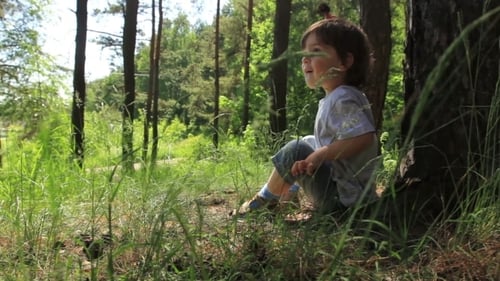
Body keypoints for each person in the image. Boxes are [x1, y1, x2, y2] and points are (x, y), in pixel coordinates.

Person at [236, 18, 379, 217]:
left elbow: (364, 137)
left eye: (315, 52)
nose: (305, 59)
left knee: (298, 150)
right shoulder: (342, 97)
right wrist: (318, 152)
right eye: (305, 54)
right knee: (309, 143)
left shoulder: (342, 98)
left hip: (344, 203)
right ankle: (288, 195)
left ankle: (264, 202)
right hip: (350, 200)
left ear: (345, 61)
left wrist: (321, 155)